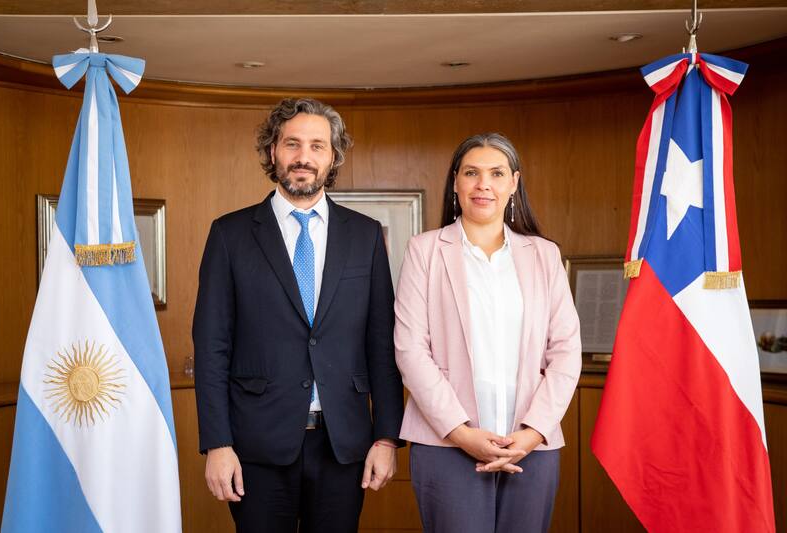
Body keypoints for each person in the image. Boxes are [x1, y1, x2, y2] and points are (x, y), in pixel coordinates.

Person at [193, 98, 405, 533]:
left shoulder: (365, 236)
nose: (304, 157)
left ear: (333, 157)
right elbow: (212, 347)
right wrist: (217, 443)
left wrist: (386, 436)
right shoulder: (229, 234)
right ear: (273, 152)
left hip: (343, 445)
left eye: (317, 146)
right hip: (256, 447)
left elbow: (381, 344)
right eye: (292, 144)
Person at [394, 133, 581, 533]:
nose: (484, 185)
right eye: (472, 173)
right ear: (456, 182)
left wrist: (532, 433)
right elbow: (410, 350)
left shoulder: (544, 255)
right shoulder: (424, 251)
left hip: (533, 445)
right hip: (446, 443)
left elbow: (566, 351)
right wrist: (462, 434)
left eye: (496, 173)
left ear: (513, 183)